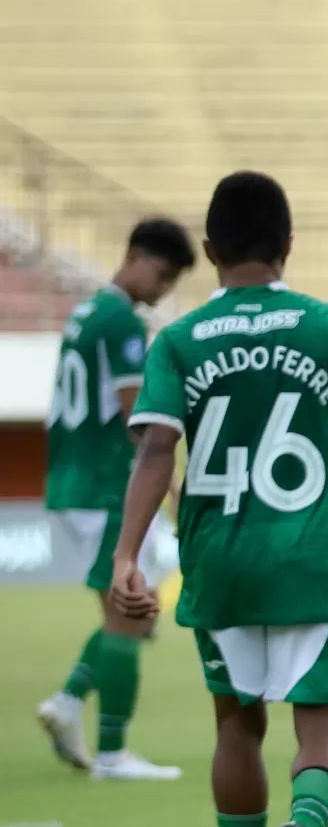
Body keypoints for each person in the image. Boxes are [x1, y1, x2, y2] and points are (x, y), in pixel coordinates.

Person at [107, 173, 328, 827]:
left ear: (207, 252)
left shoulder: (176, 340)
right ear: (288, 245)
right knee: (323, 729)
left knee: (236, 727)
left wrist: (126, 556)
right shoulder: (327, 325)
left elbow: (156, 450)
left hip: (219, 558)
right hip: (310, 557)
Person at [34, 218, 196, 779]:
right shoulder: (122, 322)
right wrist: (171, 485)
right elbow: (136, 414)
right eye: (163, 275)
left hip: (70, 479)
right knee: (132, 616)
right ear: (134, 257)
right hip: (109, 485)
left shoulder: (85, 313)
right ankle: (111, 753)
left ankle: (68, 703)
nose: (162, 289)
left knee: (121, 615)